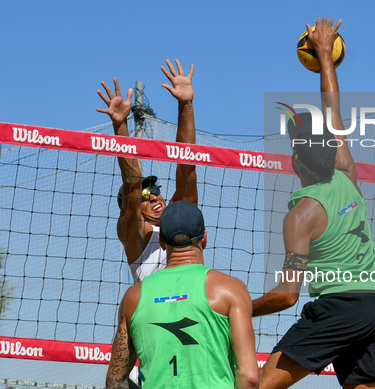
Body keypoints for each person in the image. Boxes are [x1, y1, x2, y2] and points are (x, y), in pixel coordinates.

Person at [252, 18, 375, 389]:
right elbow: (334, 111)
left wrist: (238, 309)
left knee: (259, 383)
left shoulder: (301, 214)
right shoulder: (347, 174)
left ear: (294, 162)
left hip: (340, 307)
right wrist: (325, 57)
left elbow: (286, 295)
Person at [105, 200, 259, 389]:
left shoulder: (134, 297)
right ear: (205, 239)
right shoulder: (230, 289)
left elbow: (115, 382)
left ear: (161, 241)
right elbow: (249, 377)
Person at [97, 59, 198, 283]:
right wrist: (120, 127)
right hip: (153, 314)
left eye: (154, 189)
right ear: (132, 206)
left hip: (192, 310)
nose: (153, 196)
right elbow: (132, 181)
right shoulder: (137, 234)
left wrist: (186, 104)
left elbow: (186, 164)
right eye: (145, 196)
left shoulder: (181, 218)